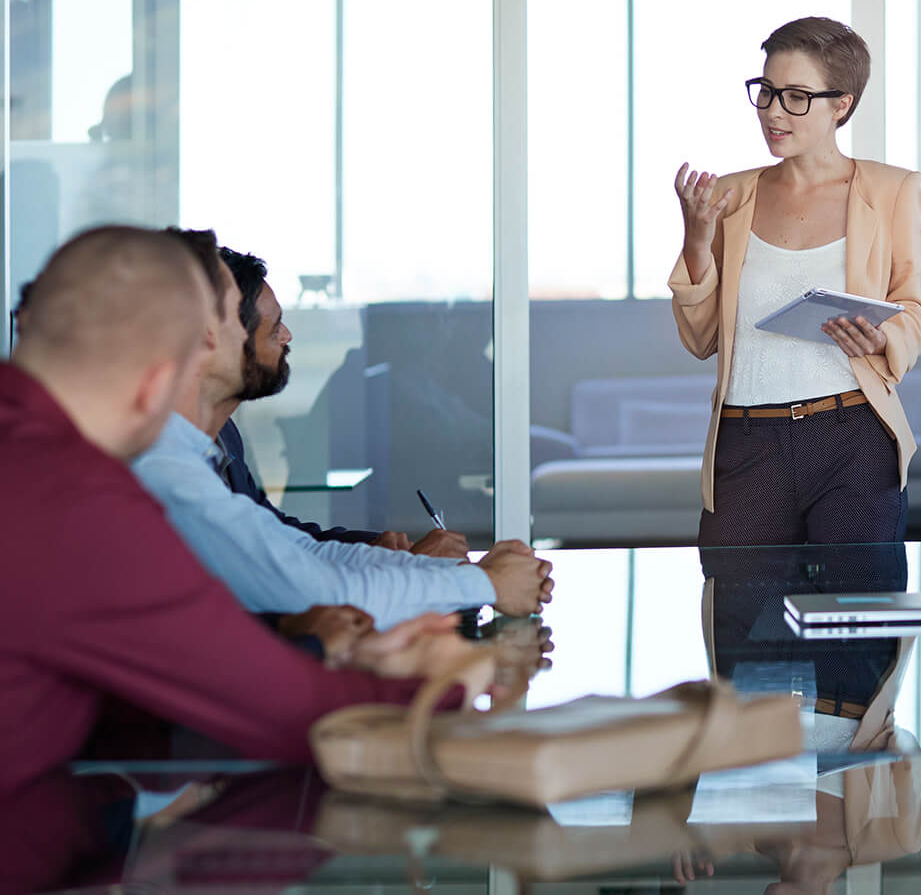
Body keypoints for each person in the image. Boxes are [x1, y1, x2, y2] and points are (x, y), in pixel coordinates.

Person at [0, 226, 516, 794]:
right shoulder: (88, 495)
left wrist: (313, 648)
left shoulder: (38, 461)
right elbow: (290, 713)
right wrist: (452, 682)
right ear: (159, 382)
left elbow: (132, 677)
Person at [130, 230, 553, 631]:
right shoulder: (161, 468)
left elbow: (289, 546)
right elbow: (311, 587)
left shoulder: (205, 445)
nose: (287, 334)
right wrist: (488, 584)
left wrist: (426, 567)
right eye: (268, 324)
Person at [670, 16, 921, 547]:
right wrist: (697, 238)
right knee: (739, 616)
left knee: (859, 618)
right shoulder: (727, 196)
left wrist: (883, 338)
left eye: (795, 97)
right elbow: (701, 341)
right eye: (765, 92)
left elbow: (912, 306)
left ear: (842, 105)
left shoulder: (893, 190)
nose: (772, 112)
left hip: (853, 434)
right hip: (746, 441)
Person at [215, 246, 463, 554]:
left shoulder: (224, 433)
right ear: (220, 340)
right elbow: (247, 565)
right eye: (274, 327)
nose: (287, 336)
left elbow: (272, 531)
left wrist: (375, 547)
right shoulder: (170, 457)